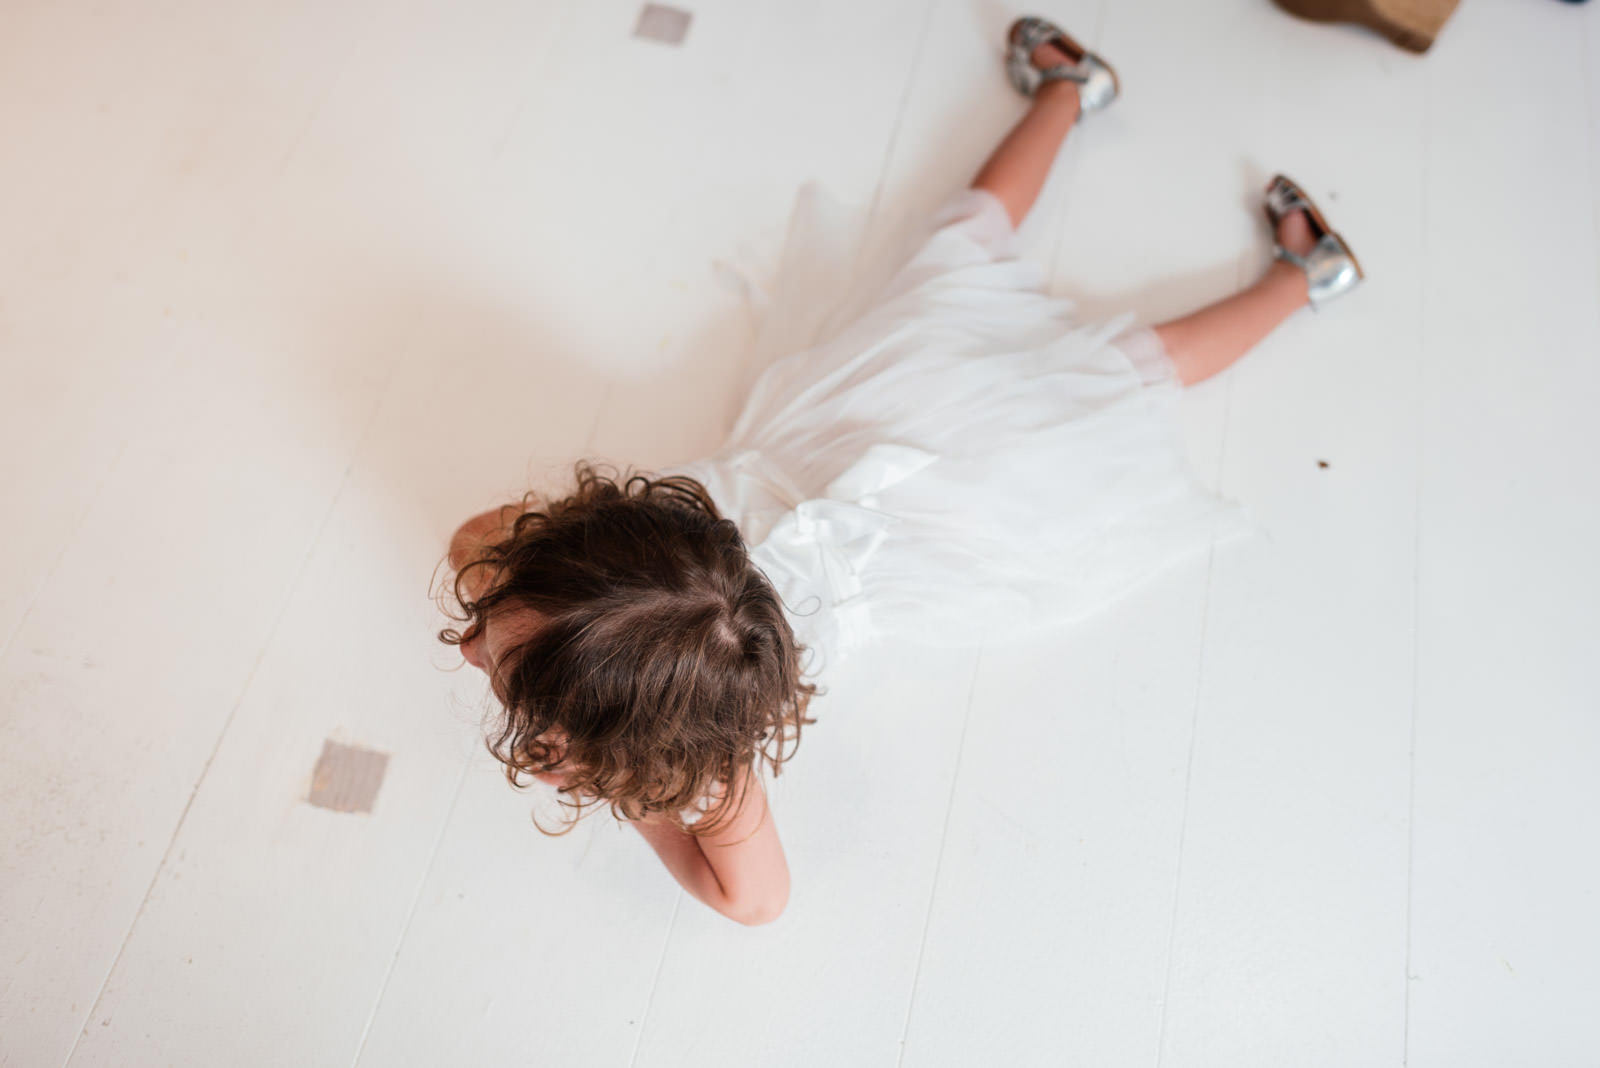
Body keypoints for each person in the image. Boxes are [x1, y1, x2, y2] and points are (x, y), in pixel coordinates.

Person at [439, 16, 1364, 925]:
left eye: (501, 663)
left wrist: (638, 788)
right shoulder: (626, 611)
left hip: (918, 498)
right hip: (858, 432)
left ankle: (1286, 264)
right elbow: (475, 541)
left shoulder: (705, 765)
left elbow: (756, 902)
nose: (474, 649)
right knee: (971, 269)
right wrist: (555, 658)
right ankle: (1085, 104)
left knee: (1101, 354)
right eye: (497, 641)